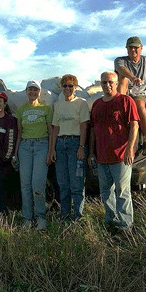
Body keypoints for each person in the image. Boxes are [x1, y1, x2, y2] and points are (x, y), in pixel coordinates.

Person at [88, 71, 139, 233]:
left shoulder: (125, 101)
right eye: (104, 82)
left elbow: (134, 126)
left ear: (116, 83)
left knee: (122, 192)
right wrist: (91, 152)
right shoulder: (97, 104)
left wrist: (130, 148)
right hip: (102, 157)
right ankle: (111, 221)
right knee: (105, 192)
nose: (107, 85)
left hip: (121, 156)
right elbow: (93, 131)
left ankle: (126, 226)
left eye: (110, 82)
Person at [49, 74, 89, 221]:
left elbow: (84, 126)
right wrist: (52, 149)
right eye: (65, 86)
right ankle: (64, 215)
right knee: (63, 183)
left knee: (77, 183)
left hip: (75, 143)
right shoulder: (58, 105)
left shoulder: (81, 103)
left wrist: (81, 147)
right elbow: (55, 128)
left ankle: (78, 216)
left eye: (70, 86)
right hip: (60, 144)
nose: (67, 88)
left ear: (75, 87)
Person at [15, 80, 53, 230]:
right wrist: (16, 153)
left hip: (41, 145)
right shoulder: (21, 110)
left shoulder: (46, 108)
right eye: (30, 90)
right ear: (26, 92)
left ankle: (40, 216)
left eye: (35, 90)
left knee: (38, 182)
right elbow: (19, 133)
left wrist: (50, 151)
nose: (32, 92)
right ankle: (27, 218)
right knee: (25, 184)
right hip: (24, 146)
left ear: (39, 92)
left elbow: (50, 132)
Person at [114, 36, 146, 157]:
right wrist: (133, 78)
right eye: (130, 48)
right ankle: (119, 106)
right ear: (126, 49)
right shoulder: (120, 60)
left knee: (140, 104)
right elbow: (120, 69)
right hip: (124, 93)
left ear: (141, 49)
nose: (133, 50)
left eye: (136, 48)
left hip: (139, 94)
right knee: (123, 78)